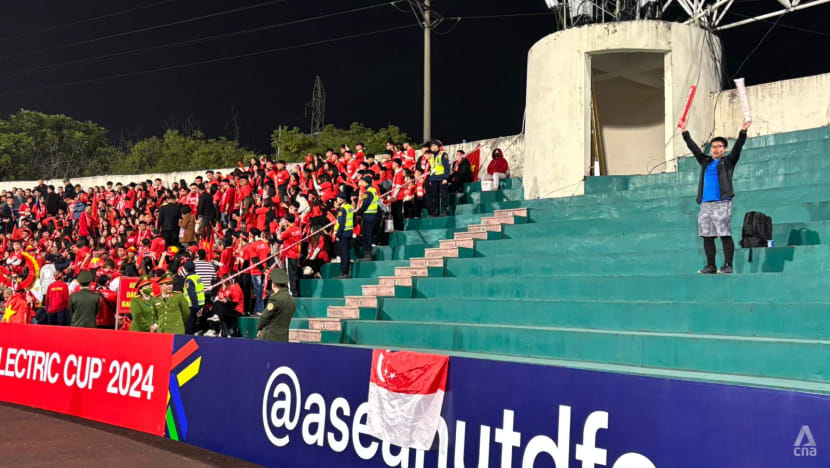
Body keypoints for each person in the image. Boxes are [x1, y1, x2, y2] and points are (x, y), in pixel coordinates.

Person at [682, 120, 752, 274]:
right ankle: (711, 265)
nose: (716, 149)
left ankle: (728, 265)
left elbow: (738, 148)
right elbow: (694, 150)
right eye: (714, 146)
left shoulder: (727, 162)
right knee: (707, 235)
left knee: (724, 233)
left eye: (720, 146)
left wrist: (743, 132)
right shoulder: (705, 161)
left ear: (724, 149)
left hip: (722, 202)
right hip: (706, 204)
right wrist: (685, 133)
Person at [257, 268, 295, 342]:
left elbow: (265, 317)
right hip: (284, 338)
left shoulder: (275, 298)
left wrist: (259, 328)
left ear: (273, 284)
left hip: (270, 337)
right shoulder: (291, 299)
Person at [355, 176, 379, 260]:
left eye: (362, 181)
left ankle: (368, 255)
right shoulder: (373, 190)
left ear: (366, 182)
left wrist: (358, 213)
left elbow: (365, 205)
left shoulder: (368, 193)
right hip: (372, 215)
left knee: (366, 235)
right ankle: (367, 254)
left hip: (368, 216)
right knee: (367, 235)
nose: (361, 183)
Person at [333, 193, 355, 278]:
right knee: (346, 253)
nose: (336, 200)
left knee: (344, 253)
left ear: (342, 200)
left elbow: (341, 223)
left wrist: (338, 234)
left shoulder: (342, 210)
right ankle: (346, 271)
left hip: (343, 233)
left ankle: (344, 272)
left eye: (338, 199)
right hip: (349, 232)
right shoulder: (349, 207)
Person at [428, 140, 450, 216]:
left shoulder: (443, 154)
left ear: (437, 146)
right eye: (431, 146)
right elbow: (431, 168)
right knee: (435, 195)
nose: (432, 147)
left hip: (441, 178)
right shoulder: (432, 156)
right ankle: (436, 210)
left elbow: (447, 167)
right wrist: (430, 179)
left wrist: (445, 178)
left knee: (444, 194)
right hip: (434, 179)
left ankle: (445, 209)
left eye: (433, 145)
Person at [183, 261, 205, 333]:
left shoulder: (189, 280)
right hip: (200, 303)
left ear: (186, 270)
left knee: (189, 325)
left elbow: (192, 294)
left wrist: (195, 306)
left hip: (192, 305)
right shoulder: (197, 277)